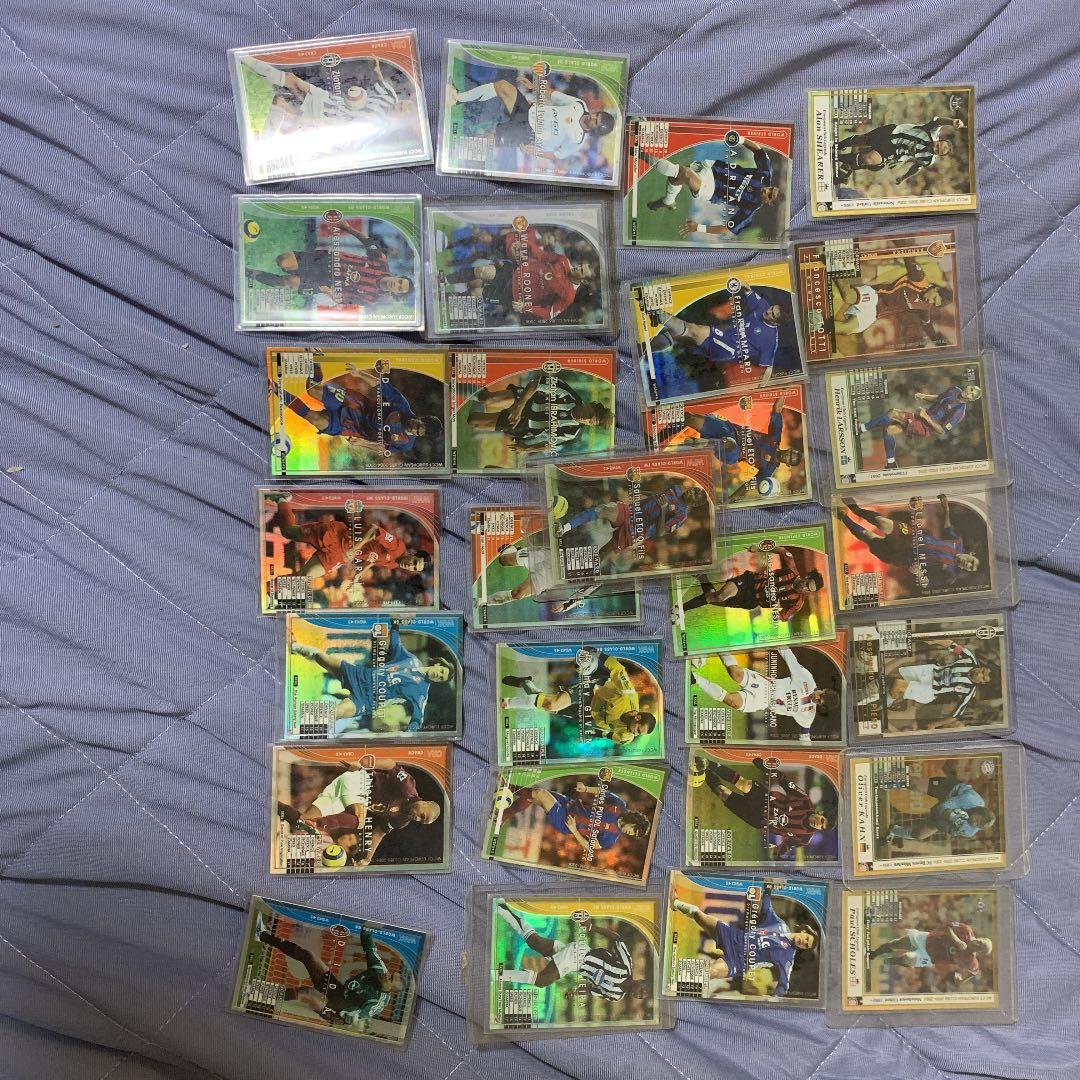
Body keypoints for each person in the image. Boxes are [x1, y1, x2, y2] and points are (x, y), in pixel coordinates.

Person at [278, 756, 441, 867]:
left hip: (345, 793)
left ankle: (275, 805)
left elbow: (379, 833)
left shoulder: (402, 820)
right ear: (425, 802)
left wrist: (367, 858)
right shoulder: (408, 787)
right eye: (422, 815)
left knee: (302, 822)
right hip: (357, 781)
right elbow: (391, 764)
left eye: (422, 821)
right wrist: (361, 763)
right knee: (360, 820)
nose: (418, 819)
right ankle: (319, 823)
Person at [291, 624, 452, 733]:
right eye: (441, 672)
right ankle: (294, 646)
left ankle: (298, 730)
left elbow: (418, 718)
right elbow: (396, 644)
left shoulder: (421, 693)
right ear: (438, 664)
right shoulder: (411, 660)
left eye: (441, 678)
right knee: (321, 657)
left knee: (337, 712)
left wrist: (411, 732)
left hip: (365, 700)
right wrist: (395, 625)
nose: (438, 675)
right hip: (359, 675)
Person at [254, 915, 404, 1025]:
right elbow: (369, 944)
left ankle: (256, 992)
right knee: (308, 956)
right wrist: (370, 925)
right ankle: (262, 935)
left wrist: (328, 1013)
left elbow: (351, 1019)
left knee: (306, 993)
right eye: (391, 974)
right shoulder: (379, 969)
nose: (387, 974)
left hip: (336, 1011)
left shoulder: (375, 1003)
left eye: (390, 979)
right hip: (338, 991)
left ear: (390, 989)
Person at [672, 889, 816, 997]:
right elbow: (768, 909)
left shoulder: (788, 957)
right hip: (732, 936)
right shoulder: (780, 925)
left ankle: (673, 985)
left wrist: (776, 999)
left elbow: (784, 984)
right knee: (699, 915)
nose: (803, 942)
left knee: (712, 972)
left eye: (806, 945)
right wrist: (767, 889)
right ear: (804, 931)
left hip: (737, 962)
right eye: (806, 939)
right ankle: (675, 903)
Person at [493, 902, 650, 1002]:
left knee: (535, 942)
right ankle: (495, 975)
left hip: (576, 965)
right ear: (641, 980)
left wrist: (575, 993)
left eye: (641, 997)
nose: (639, 995)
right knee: (542, 981)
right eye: (642, 990)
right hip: (581, 954)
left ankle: (502, 909)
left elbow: (591, 989)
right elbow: (617, 938)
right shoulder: (625, 967)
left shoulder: (615, 996)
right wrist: (591, 927)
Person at [691, 756, 832, 860]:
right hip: (764, 798)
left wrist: (778, 856)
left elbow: (787, 845)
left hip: (756, 818)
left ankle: (704, 771)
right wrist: (766, 768)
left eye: (822, 827)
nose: (818, 825)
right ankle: (708, 763)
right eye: (821, 820)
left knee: (722, 792)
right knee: (743, 783)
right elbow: (784, 781)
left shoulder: (804, 838)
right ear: (820, 813)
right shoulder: (804, 800)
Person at [449, 73, 615, 160]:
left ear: (595, 130)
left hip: (528, 133)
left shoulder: (577, 141)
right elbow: (554, 95)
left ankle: (453, 151)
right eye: (596, 115)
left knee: (488, 138)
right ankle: (457, 98)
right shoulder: (579, 105)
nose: (593, 118)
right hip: (528, 111)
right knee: (503, 86)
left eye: (596, 122)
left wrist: (536, 152)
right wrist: (534, 86)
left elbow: (556, 155)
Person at [641, 137, 782, 239]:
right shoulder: (765, 174)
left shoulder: (750, 208)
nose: (767, 191)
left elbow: (726, 229)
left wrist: (698, 227)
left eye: (770, 195)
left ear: (769, 202)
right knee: (674, 178)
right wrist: (740, 139)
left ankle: (639, 153)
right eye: (771, 189)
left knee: (684, 173)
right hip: (714, 168)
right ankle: (667, 201)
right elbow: (758, 151)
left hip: (712, 189)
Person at [689, 648, 840, 741]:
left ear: (820, 706)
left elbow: (805, 737)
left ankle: (695, 678)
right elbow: (790, 658)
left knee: (732, 702)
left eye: (819, 701)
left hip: (761, 702)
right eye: (820, 694)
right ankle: (721, 646)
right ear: (823, 690)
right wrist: (779, 640)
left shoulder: (808, 715)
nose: (816, 698)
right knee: (735, 674)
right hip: (765, 686)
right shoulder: (806, 678)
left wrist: (808, 753)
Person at [683, 545, 824, 623]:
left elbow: (783, 617)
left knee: (713, 598)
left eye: (808, 590)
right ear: (807, 577)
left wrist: (776, 611)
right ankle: (680, 610)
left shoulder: (797, 603)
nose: (805, 588)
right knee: (720, 596)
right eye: (807, 584)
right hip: (749, 582)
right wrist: (760, 548)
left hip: (751, 601)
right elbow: (783, 551)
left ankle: (701, 575)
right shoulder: (792, 570)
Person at [857, 384, 980, 469]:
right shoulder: (955, 389)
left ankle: (862, 428)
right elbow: (939, 398)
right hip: (921, 417)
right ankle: (891, 464)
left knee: (893, 413)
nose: (968, 392)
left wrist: (926, 418)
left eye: (972, 394)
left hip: (925, 428)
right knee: (889, 430)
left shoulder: (959, 412)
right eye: (970, 389)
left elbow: (942, 431)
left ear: (971, 399)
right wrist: (923, 396)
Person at [834, 117, 966, 185]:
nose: (935, 147)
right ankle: (839, 146)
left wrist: (903, 177)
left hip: (893, 151)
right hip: (892, 133)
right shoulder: (931, 132)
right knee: (862, 140)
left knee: (870, 160)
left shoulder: (928, 159)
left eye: (938, 151)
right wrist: (952, 121)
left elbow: (916, 167)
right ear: (939, 140)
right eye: (938, 145)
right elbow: (939, 121)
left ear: (938, 155)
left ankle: (841, 160)